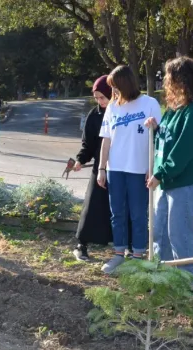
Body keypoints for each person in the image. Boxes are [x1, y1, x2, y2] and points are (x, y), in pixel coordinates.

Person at [145, 57, 193, 294]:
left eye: (169, 77)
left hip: (184, 181)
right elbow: (166, 142)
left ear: (183, 80)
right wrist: (156, 129)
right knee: (159, 229)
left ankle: (188, 282)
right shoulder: (174, 110)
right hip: (166, 179)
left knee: (179, 231)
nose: (166, 81)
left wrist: (160, 174)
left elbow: (183, 151)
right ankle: (161, 275)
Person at [96, 65, 162, 274]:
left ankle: (138, 255)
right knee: (117, 213)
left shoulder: (149, 104)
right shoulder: (112, 107)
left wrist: (151, 168)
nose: (113, 92)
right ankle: (119, 253)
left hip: (138, 168)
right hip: (115, 168)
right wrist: (101, 168)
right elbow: (106, 140)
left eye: (115, 86)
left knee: (138, 214)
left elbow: (159, 139)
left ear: (125, 84)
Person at [72, 75, 129, 262]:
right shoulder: (94, 115)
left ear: (112, 93)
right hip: (101, 167)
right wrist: (80, 160)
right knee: (93, 205)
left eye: (102, 97)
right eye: (96, 98)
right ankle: (82, 244)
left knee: (122, 207)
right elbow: (87, 143)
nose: (99, 101)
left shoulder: (124, 111)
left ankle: (125, 246)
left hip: (123, 166)